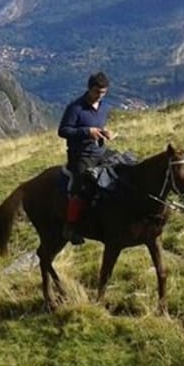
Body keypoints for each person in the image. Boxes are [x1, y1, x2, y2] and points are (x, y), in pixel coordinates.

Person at [58, 71, 112, 244]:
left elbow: (99, 126)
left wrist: (104, 133)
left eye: (103, 93)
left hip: (99, 152)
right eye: (97, 92)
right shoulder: (75, 108)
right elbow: (63, 131)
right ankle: (71, 227)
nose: (100, 96)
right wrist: (86, 132)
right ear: (89, 89)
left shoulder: (103, 107)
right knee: (80, 187)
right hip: (80, 155)